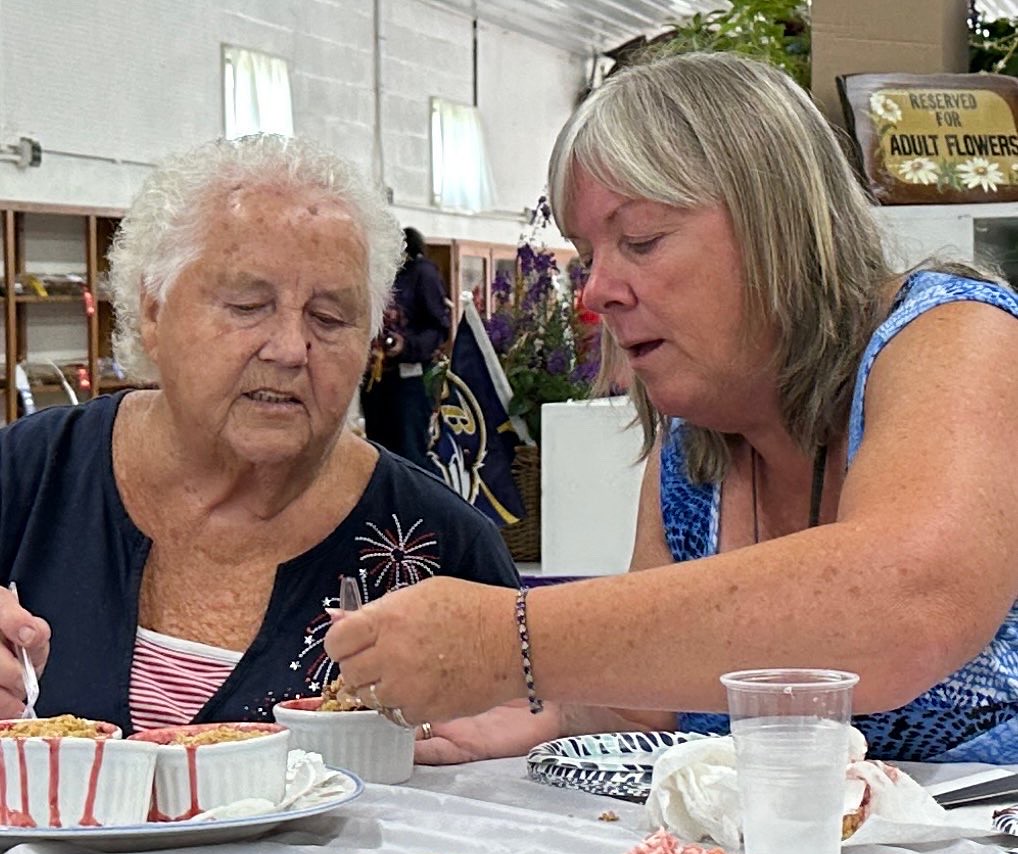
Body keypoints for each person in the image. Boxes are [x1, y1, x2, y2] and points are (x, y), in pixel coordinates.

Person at [325, 52, 1018, 765]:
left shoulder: (955, 331)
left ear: (776, 223)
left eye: (641, 241)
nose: (595, 291)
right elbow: (651, 700)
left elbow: (907, 603)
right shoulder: (692, 444)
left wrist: (511, 640)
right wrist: (552, 710)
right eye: (587, 253)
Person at [0, 133, 533, 746]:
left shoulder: (443, 548)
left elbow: (514, 793)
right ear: (153, 310)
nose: (289, 350)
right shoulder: (28, 476)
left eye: (330, 319)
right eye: (248, 305)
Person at [361, 226, 449, 470]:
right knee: (376, 454)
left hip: (409, 380)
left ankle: (413, 508)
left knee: (410, 454)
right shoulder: (372, 274)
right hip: (375, 380)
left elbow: (438, 327)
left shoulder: (422, 273)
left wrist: (406, 345)